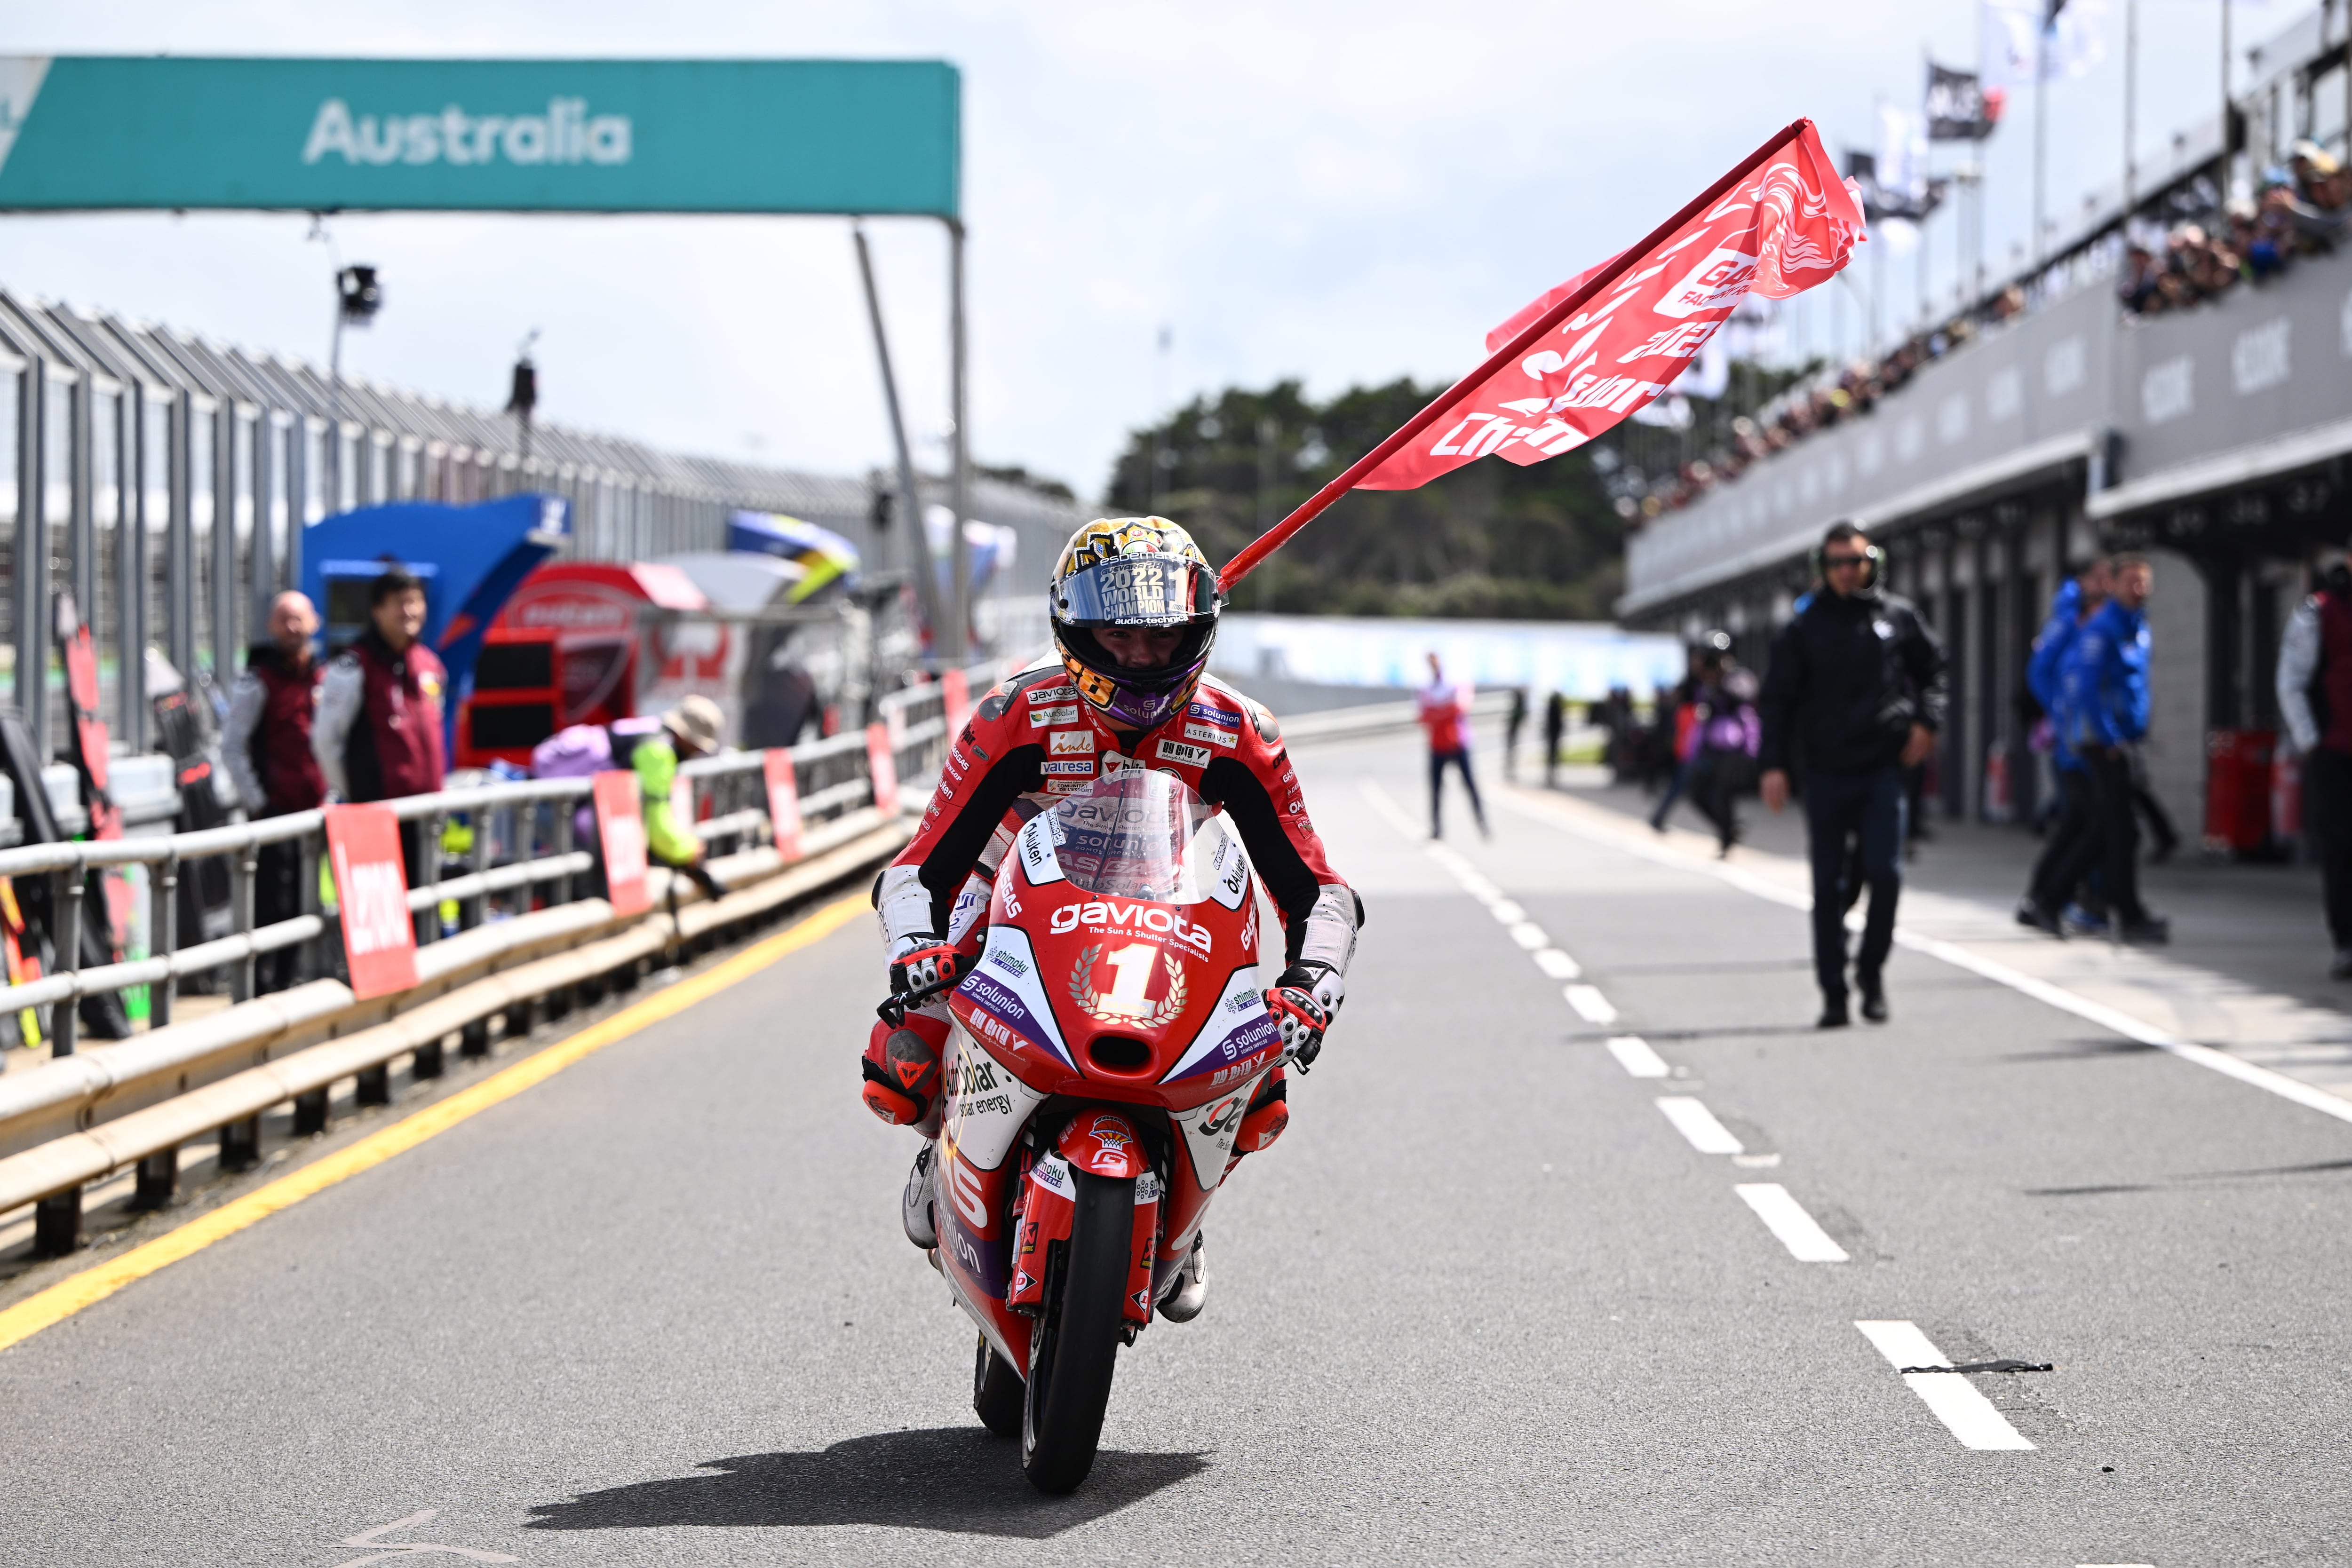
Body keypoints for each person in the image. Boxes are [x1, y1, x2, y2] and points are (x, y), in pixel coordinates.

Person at [862, 517, 1362, 1317]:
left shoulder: (1239, 729)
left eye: (1162, 637)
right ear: (1072, 624)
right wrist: (916, 944)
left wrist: (1316, 978)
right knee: (903, 1059)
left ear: (1196, 630)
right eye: (1117, 632)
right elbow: (918, 865)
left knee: (1261, 1084)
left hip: (1171, 913)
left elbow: (1319, 889)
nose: (1139, 655)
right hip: (1008, 897)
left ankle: (1186, 1219)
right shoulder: (1014, 712)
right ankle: (942, 1148)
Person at [1758, 521, 1947, 1028]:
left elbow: (1934, 671)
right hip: (1824, 771)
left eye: (1856, 561)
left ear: (1872, 563)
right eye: (1838, 562)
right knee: (1829, 885)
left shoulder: (1897, 616)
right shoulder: (1802, 628)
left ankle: (1870, 969)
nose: (1848, 570)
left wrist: (1926, 722)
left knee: (1885, 873)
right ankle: (1833, 993)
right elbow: (1776, 700)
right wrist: (1772, 764)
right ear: (1824, 568)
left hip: (1882, 768)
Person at [2030, 554, 2169, 944]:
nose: (2137, 588)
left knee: (2113, 832)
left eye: (2144, 581)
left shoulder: (2137, 629)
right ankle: (2055, 899)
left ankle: (2106, 908)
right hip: (2098, 745)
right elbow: (2079, 687)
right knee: (2108, 830)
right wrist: (2103, 738)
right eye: (2129, 581)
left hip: (2121, 742)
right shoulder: (2099, 628)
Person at [314, 565, 447, 889]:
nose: (410, 611)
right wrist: (358, 796)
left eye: (416, 601)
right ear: (377, 610)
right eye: (401, 602)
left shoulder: (429, 663)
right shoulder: (353, 665)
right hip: (377, 819)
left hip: (427, 816)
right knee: (382, 916)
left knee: (423, 910)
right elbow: (326, 740)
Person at [222, 591, 326, 994]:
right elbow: (232, 747)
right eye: (284, 619)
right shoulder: (258, 680)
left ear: (315, 623)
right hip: (275, 816)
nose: (293, 627)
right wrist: (259, 804)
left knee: (307, 901)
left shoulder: (325, 677)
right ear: (270, 627)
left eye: (299, 618)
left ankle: (296, 982)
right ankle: (266, 990)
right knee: (273, 907)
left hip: (315, 816)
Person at [530, 696, 728, 904]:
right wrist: (688, 851)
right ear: (688, 738)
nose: (696, 753)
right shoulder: (658, 752)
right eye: (698, 747)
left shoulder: (650, 729)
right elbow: (657, 822)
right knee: (585, 879)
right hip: (563, 812)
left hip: (555, 807)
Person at [2018, 560, 2108, 935]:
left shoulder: (2104, 619)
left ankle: (2056, 898)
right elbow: (2040, 673)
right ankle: (2054, 898)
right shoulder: (2071, 620)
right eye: (2100, 576)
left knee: (2080, 823)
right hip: (2077, 740)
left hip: (2095, 738)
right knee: (2090, 823)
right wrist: (2061, 714)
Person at [2277, 553, 2352, 977]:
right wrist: (2311, 741)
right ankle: (2347, 942)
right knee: (2343, 848)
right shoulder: (2319, 612)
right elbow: (2291, 680)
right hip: (2337, 751)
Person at [1687, 658, 1760, 856]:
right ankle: (1729, 828)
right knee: (1697, 793)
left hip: (1734, 750)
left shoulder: (1736, 679)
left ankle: (1726, 839)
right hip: (1711, 750)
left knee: (1722, 795)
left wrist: (1751, 752)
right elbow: (1701, 716)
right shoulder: (1705, 687)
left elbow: (1746, 701)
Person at [1418, 652, 1487, 839]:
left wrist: (1437, 713)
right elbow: (1421, 716)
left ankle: (1482, 822)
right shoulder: (1426, 689)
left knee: (1470, 784)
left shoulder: (1456, 683)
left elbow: (1462, 706)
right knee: (1436, 788)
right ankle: (1437, 828)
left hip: (1459, 742)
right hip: (1437, 744)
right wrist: (1443, 711)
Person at [1542, 690, 1566, 789]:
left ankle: (1552, 772)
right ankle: (1551, 772)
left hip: (1554, 734)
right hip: (1553, 734)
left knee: (1553, 754)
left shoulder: (1555, 708)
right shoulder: (1555, 709)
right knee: (1552, 754)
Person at [1505, 687, 1528, 783]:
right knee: (1512, 749)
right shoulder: (1520, 707)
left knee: (1512, 749)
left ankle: (1511, 768)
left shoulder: (1519, 708)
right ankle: (1510, 768)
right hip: (1513, 730)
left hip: (1514, 730)